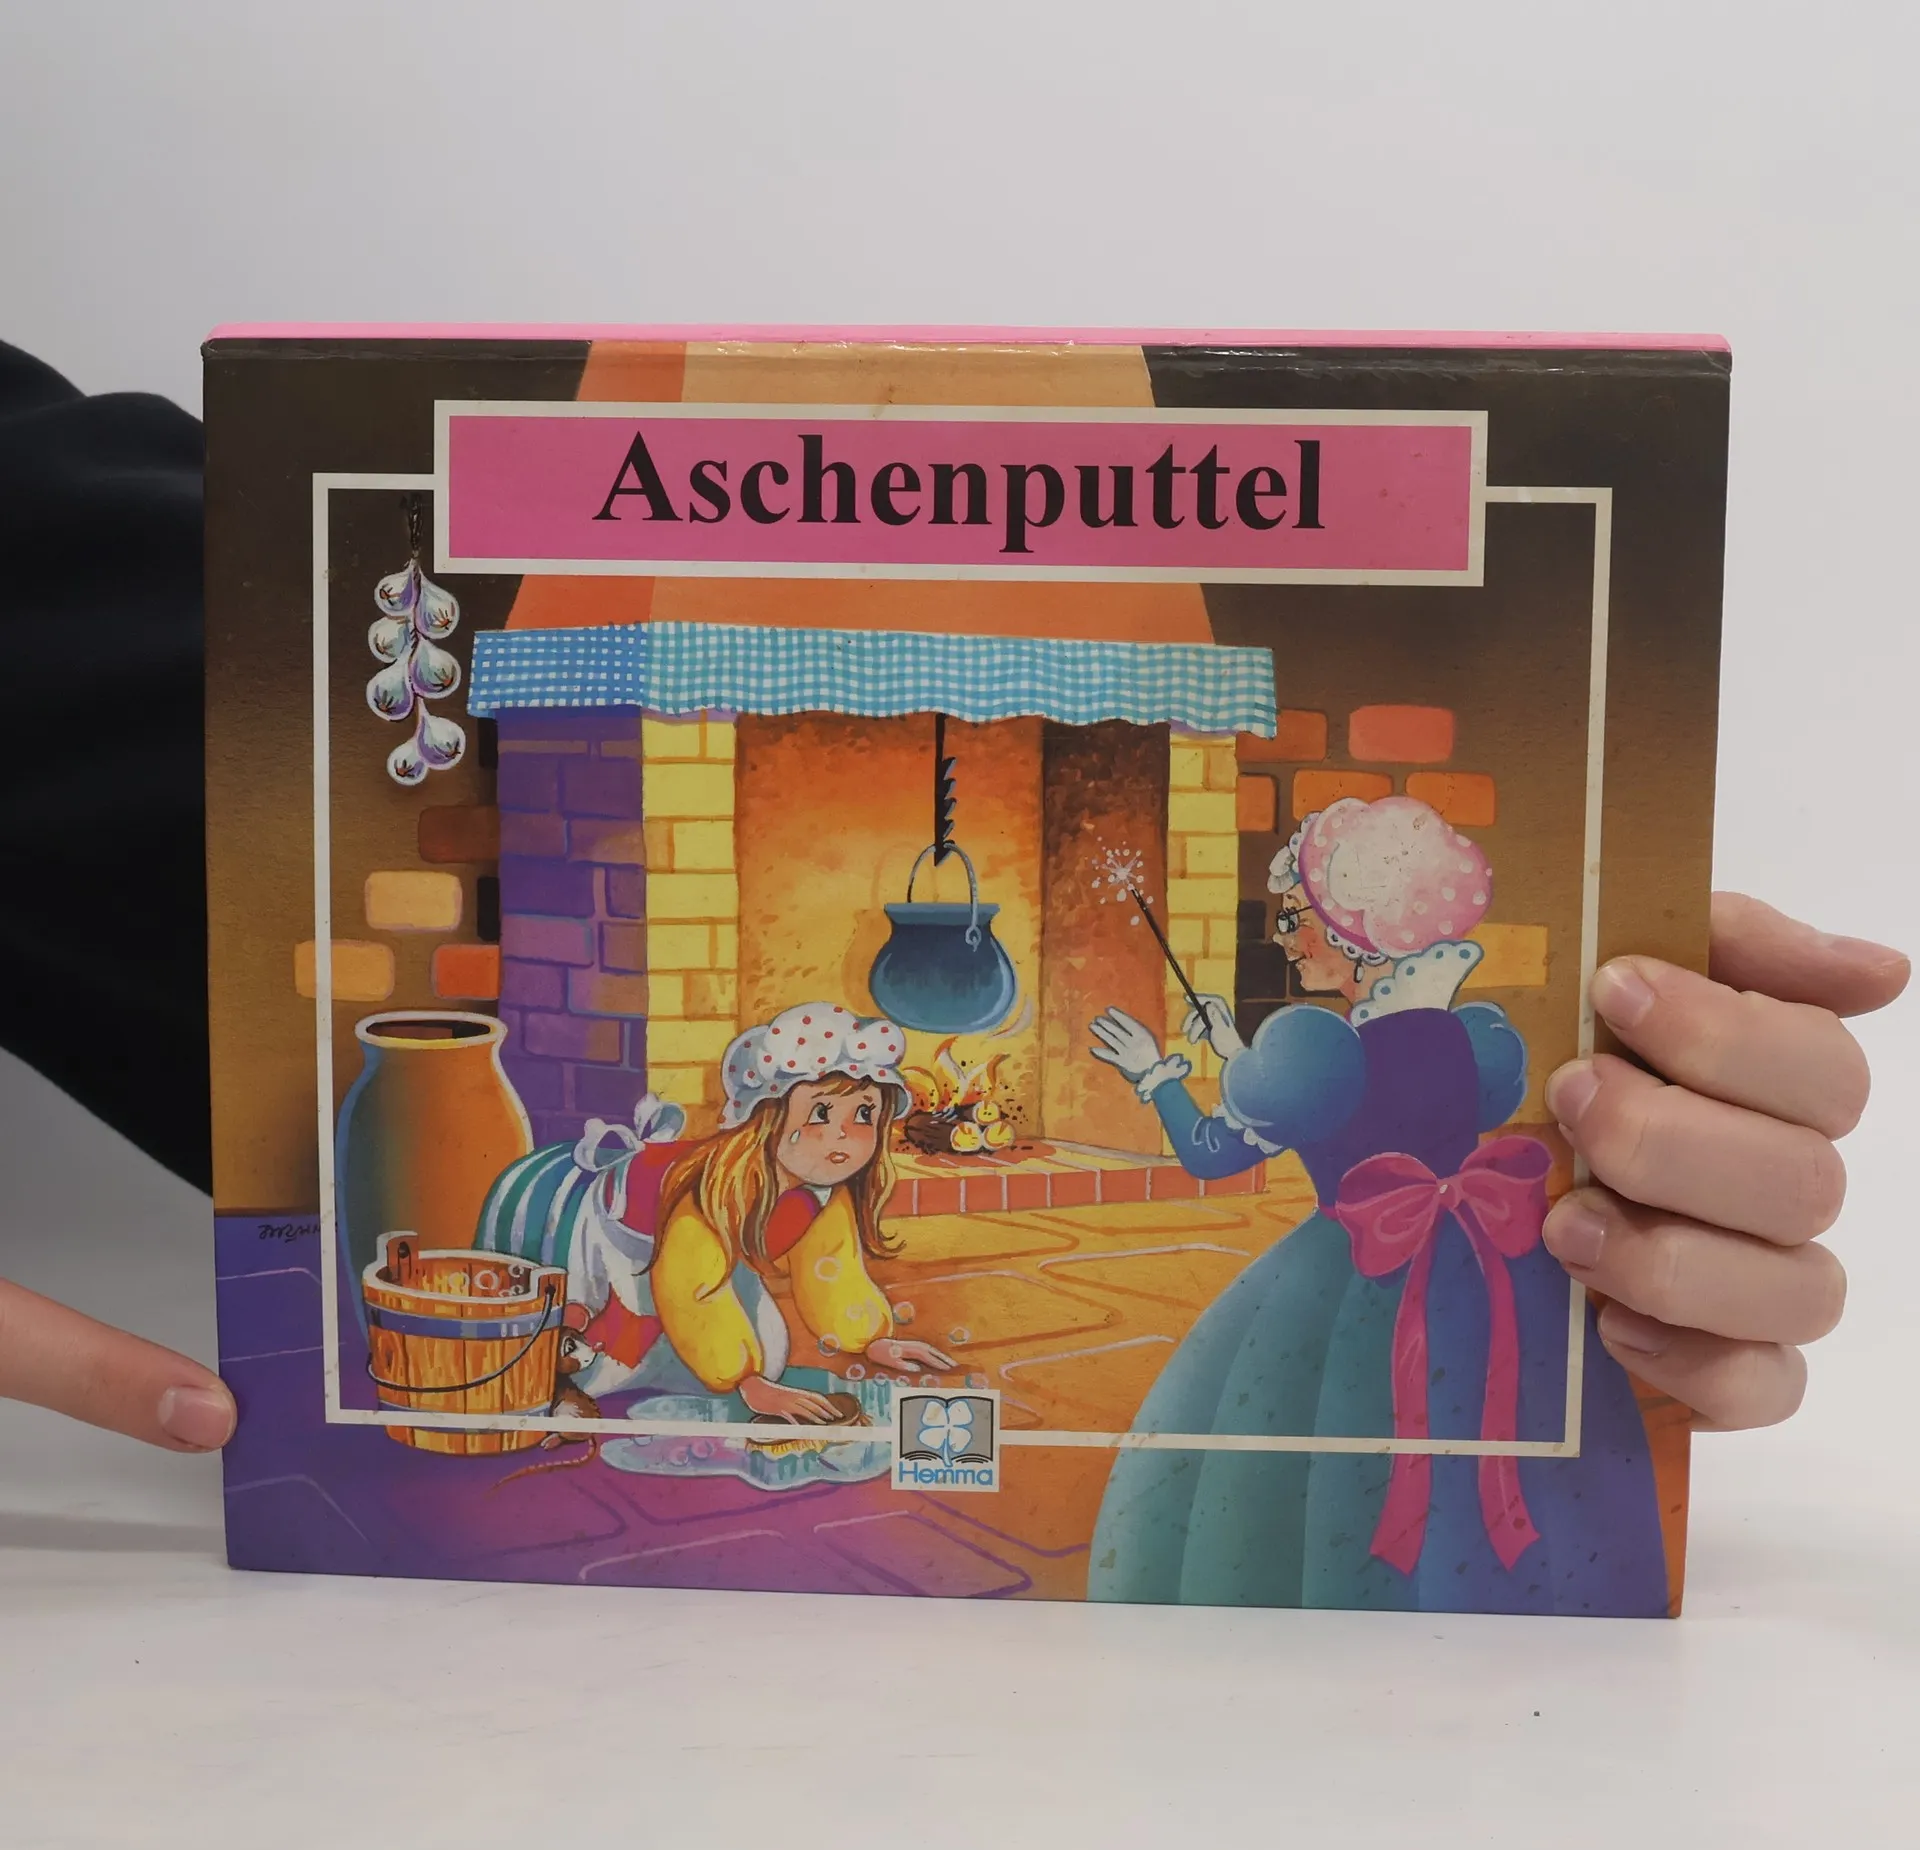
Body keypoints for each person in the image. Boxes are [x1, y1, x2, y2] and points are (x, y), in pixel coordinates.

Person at [0, 343, 1909, 1473]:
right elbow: (725, 1285)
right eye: (837, 1113)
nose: (855, 1136)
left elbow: (1149, 1165)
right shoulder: (725, 1179)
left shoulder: (1349, 1054)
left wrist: (886, 1316)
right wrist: (781, 1374)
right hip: (665, 1298)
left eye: (864, 1114)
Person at [1086, 796, 1905, 1611]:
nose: (1284, 936)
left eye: (1296, 917)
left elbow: (1213, 1152)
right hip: (1488, 1268)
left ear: (1352, 934)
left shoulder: (1313, 1051)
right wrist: (1238, 1053)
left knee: (1332, 1445)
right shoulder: (1468, 1039)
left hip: (1354, 1281)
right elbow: (1366, 1099)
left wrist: (1155, 1075)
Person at [476, 1003, 954, 1418]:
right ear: (769, 1117)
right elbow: (693, 1288)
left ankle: (697, 1364)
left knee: (769, 1355)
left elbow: (833, 1269)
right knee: (592, 1366)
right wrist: (744, 1381)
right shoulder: (715, 1190)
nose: (843, 1134)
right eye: (821, 1114)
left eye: (865, 1113)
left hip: (702, 1258)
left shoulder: (824, 1189)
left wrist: (871, 1339)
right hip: (618, 1236)